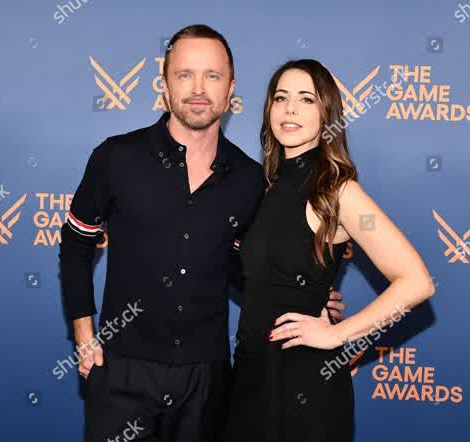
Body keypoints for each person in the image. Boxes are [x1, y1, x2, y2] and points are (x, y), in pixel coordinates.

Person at [58, 25, 346, 442]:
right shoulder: (115, 158)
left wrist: (303, 293)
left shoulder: (251, 180)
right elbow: (75, 245)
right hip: (120, 373)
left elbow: (247, 268)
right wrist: (84, 337)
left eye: (212, 75)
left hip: (206, 383)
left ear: (230, 90)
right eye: (184, 74)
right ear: (164, 85)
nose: (198, 88)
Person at [219, 59, 436, 442]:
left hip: (305, 381)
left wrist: (339, 337)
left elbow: (416, 281)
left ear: (327, 114)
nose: (290, 109)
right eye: (281, 98)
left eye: (306, 99)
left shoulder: (336, 191)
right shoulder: (263, 187)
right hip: (250, 376)